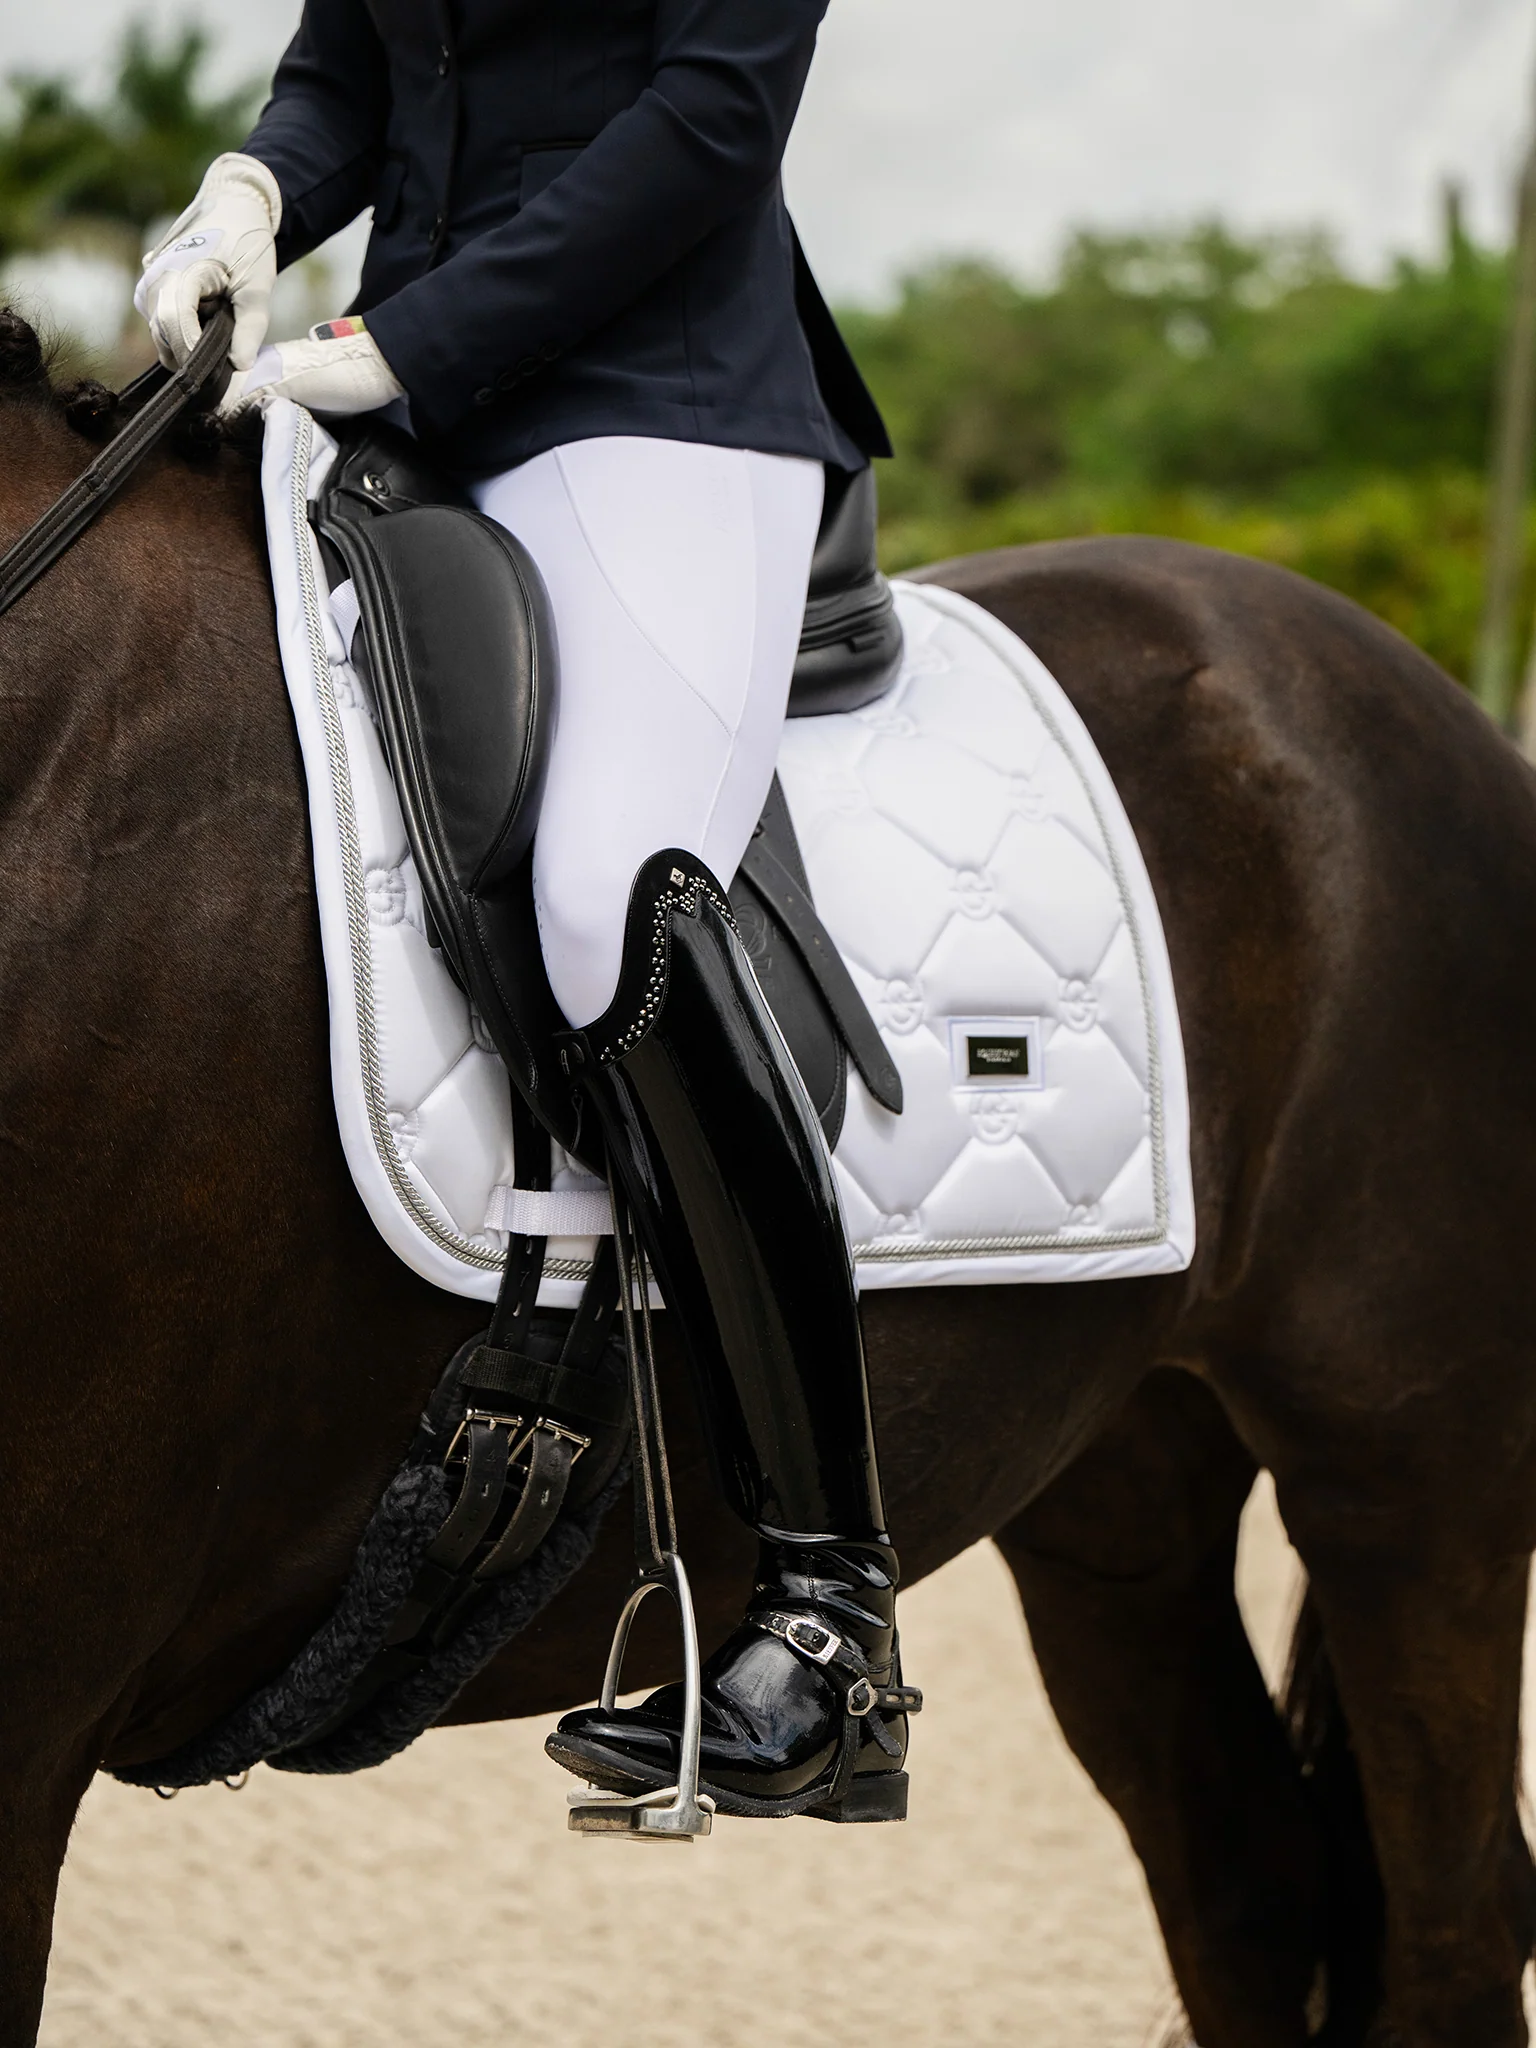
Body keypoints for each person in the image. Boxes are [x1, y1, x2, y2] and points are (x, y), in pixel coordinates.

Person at [136, 0, 912, 1823]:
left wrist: (397, 339)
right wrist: (246, 195)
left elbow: (710, 123)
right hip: (411, 400)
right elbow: (352, 66)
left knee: (599, 897)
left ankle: (828, 1609)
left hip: (658, 407)